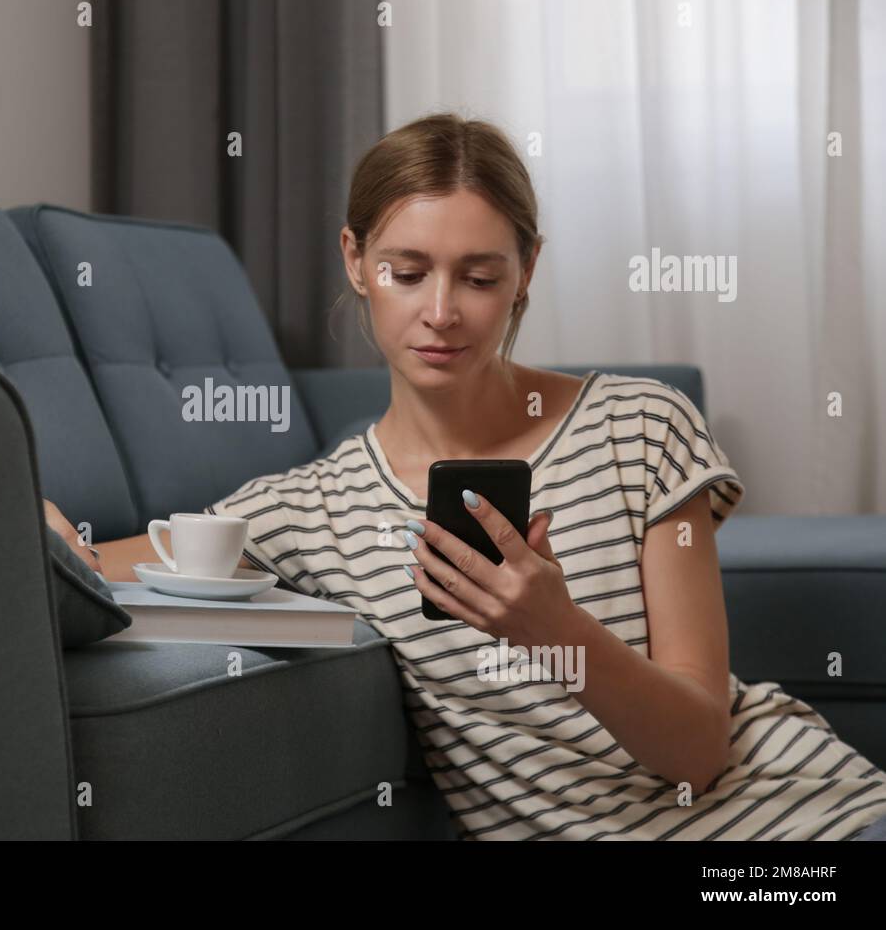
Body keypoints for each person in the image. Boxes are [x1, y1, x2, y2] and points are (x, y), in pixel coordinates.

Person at [50, 111, 886, 840]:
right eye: (406, 273)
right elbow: (92, 569)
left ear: (526, 270)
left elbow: (699, 751)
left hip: (815, 825)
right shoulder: (311, 513)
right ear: (355, 260)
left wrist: (555, 630)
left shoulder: (642, 425)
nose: (441, 312)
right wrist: (39, 529)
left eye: (480, 277)